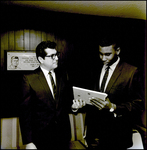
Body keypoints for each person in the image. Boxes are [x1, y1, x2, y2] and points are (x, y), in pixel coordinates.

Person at [72, 33, 145, 150]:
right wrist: (78, 106)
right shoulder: (94, 68)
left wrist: (113, 106)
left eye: (107, 54)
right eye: (100, 54)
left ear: (118, 51)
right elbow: (90, 96)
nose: (103, 58)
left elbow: (138, 104)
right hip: (93, 136)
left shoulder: (131, 72)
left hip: (117, 137)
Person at [19, 40, 74, 149]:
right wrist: (28, 141)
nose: (57, 58)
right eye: (52, 56)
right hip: (41, 137)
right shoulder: (29, 78)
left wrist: (74, 107)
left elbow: (66, 103)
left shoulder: (63, 75)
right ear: (41, 59)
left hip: (63, 135)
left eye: (57, 55)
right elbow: (25, 113)